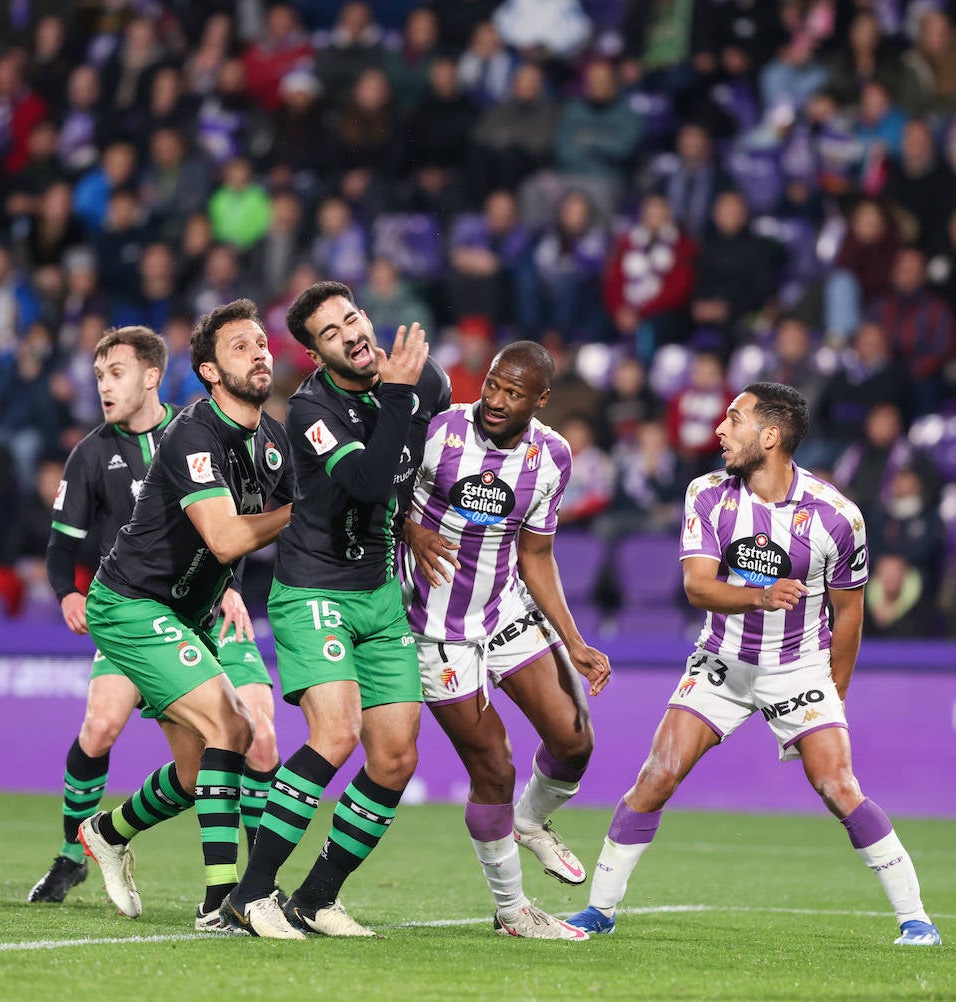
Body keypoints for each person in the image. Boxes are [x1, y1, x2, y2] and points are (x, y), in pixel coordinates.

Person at [566, 383, 942, 948]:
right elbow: (697, 586)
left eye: (734, 420)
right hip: (721, 661)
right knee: (655, 776)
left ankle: (916, 920)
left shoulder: (838, 517)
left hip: (799, 668)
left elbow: (851, 616)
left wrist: (832, 696)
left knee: (838, 786)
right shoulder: (707, 493)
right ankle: (599, 910)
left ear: (770, 436)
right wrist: (762, 598)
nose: (720, 429)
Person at [220, 281, 451, 939]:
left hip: (380, 593)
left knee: (395, 759)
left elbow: (430, 464)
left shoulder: (420, 379)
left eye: (352, 318)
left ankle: (316, 897)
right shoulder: (312, 409)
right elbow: (368, 482)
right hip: (314, 590)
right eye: (331, 332)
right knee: (335, 734)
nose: (351, 333)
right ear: (318, 354)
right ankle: (251, 892)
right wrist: (402, 395)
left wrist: (412, 523)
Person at [28, 326, 280, 907]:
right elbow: (62, 545)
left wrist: (233, 587)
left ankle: (256, 882)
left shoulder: (198, 431)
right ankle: (73, 855)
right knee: (101, 725)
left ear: (150, 377)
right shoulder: (92, 453)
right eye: (97, 378)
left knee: (258, 742)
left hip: (212, 608)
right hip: (138, 612)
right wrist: (68, 592)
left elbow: (227, 523)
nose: (103, 388)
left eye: (114, 374)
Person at [401, 341, 611, 940]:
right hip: (435, 628)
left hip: (504, 610)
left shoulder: (552, 457)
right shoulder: (439, 433)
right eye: (492, 384)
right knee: (494, 767)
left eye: (512, 392)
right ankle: (513, 912)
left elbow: (537, 552)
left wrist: (572, 638)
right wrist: (409, 527)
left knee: (574, 740)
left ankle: (531, 821)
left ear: (539, 401)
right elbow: (377, 496)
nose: (494, 400)